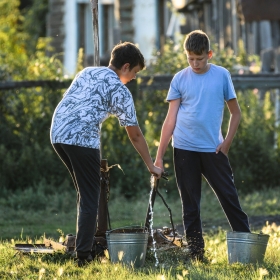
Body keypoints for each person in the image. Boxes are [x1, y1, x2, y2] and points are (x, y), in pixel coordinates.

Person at [50, 42, 162, 266]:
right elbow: (136, 135)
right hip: (81, 139)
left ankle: (83, 246)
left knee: (85, 193)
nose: (133, 79)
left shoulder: (87, 71)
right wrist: (151, 165)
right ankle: (83, 256)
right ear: (126, 66)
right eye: (135, 73)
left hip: (58, 133)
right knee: (91, 196)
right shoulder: (120, 90)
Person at [154, 30, 250, 261]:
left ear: (209, 54)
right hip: (184, 149)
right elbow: (170, 119)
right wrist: (159, 156)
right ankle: (197, 254)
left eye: (200, 58)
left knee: (230, 198)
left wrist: (226, 143)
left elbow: (235, 113)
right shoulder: (179, 79)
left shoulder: (222, 75)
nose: (195, 64)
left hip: (213, 149)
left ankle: (246, 248)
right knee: (190, 205)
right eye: (190, 59)